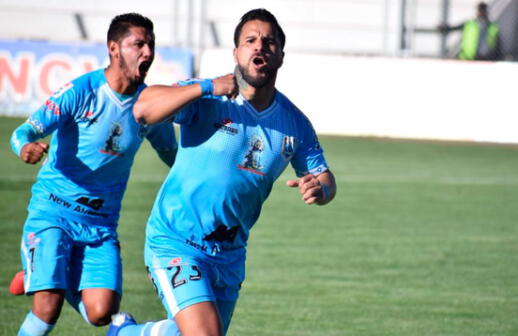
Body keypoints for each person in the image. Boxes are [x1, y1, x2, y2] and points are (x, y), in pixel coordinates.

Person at [107, 8, 337, 336]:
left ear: (281, 56)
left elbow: (326, 178)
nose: (260, 47)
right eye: (250, 40)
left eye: (269, 42)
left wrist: (321, 188)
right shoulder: (209, 96)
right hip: (176, 241)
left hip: (229, 255)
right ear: (236, 53)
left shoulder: (295, 124)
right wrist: (204, 87)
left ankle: (125, 333)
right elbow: (143, 108)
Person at [8, 12, 177, 336]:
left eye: (151, 45)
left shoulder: (149, 106)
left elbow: (173, 155)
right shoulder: (80, 91)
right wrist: (26, 148)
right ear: (113, 49)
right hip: (53, 213)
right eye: (138, 44)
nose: (148, 52)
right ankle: (46, 276)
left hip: (99, 224)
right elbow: (22, 133)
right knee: (48, 308)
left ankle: (45, 274)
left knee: (101, 314)